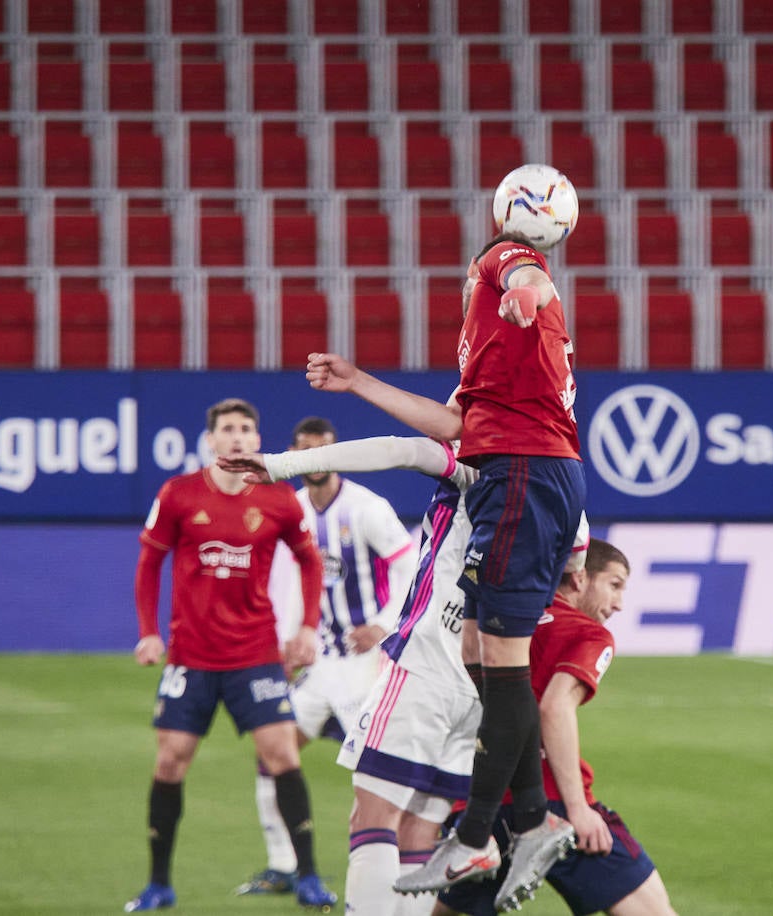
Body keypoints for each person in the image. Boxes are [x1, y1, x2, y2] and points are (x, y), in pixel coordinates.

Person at [307, 204, 586, 910]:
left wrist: (521, 288)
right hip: (525, 494)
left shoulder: (498, 265)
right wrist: (361, 382)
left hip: (504, 507)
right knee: (484, 657)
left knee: (374, 811)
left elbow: (529, 275)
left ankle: (497, 830)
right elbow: (456, 424)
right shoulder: (500, 372)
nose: (467, 297)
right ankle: (515, 824)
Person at [220, 433, 589, 916]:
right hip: (488, 686)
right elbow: (576, 567)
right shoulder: (564, 490)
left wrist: (285, 463)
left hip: (428, 663)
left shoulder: (478, 462)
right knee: (419, 827)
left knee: (370, 817)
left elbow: (399, 449)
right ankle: (522, 823)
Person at [123, 398, 338, 912]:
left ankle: (307, 877)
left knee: (282, 755)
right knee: (170, 761)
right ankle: (158, 884)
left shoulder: (280, 500)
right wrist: (149, 632)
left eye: (246, 429)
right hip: (190, 658)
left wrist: (308, 627)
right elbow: (149, 563)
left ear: (257, 440)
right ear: (212, 440)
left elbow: (310, 562)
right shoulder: (178, 495)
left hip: (255, 655)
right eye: (228, 429)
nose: (238, 437)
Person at [434, 539, 679, 916]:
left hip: (483, 804)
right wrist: (577, 809)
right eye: (614, 585)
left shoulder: (504, 626)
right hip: (554, 805)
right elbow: (554, 708)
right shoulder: (589, 634)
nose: (619, 604)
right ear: (580, 578)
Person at [235, 416, 416, 898]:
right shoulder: (289, 510)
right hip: (318, 668)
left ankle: (405, 862)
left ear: (334, 452)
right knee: (272, 752)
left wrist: (383, 624)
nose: (315, 458)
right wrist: (289, 641)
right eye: (306, 448)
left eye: (323, 448)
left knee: (380, 771)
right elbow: (285, 583)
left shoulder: (366, 509)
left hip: (364, 667)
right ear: (294, 452)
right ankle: (282, 864)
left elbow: (411, 565)